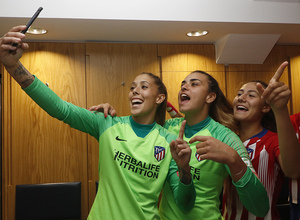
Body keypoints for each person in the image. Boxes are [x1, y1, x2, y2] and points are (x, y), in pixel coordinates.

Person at [0, 25, 196, 220]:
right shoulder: (107, 124)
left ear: (160, 98)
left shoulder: (170, 142)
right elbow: (60, 108)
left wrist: (185, 170)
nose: (135, 91)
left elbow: (185, 204)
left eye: (143, 87)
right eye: (132, 87)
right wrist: (13, 66)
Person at [89, 70, 270, 219]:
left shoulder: (226, 138)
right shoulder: (166, 130)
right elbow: (141, 120)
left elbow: (261, 208)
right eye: (183, 83)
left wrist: (233, 160)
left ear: (210, 97)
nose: (184, 86)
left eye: (194, 84)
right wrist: (108, 113)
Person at [222, 61, 300, 220]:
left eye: (251, 95)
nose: (241, 98)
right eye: (239, 93)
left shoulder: (272, 141)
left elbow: (293, 171)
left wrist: (280, 108)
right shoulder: (226, 138)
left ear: (265, 107)